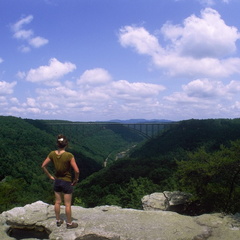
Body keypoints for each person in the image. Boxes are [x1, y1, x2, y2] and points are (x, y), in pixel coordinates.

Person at [41, 134, 80, 229]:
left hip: (57, 181)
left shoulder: (52, 154)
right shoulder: (69, 155)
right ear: (66, 145)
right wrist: (76, 179)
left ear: (57, 144)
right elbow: (77, 170)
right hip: (67, 182)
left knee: (57, 202)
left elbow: (43, 166)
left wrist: (50, 176)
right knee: (67, 204)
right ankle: (69, 223)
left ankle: (58, 221)